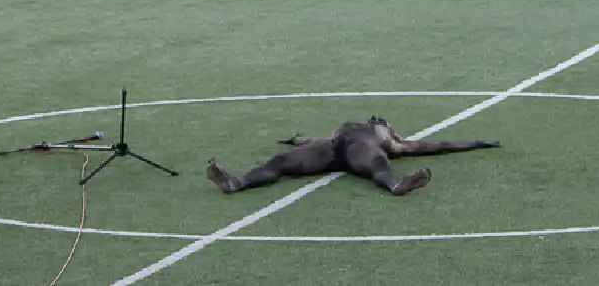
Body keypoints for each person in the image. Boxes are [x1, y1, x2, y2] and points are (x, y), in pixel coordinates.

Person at [204, 116, 499, 196]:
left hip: (357, 152)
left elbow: (440, 144)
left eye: (383, 122)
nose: (378, 120)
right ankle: (235, 182)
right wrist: (296, 140)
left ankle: (397, 184)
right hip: (330, 147)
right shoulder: (367, 128)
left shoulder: (395, 142)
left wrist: (478, 142)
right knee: (282, 161)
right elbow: (307, 139)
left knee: (377, 162)